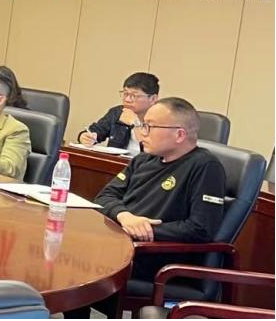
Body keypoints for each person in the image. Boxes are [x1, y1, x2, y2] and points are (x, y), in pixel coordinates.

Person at [66, 97, 226, 319]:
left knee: (75, 263)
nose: (142, 133)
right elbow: (105, 197)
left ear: (179, 134)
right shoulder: (142, 160)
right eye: (143, 125)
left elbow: (201, 228)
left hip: (156, 258)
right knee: (67, 252)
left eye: (149, 126)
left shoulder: (205, 167)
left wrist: (145, 230)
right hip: (122, 245)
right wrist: (125, 217)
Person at [78, 71, 159, 152]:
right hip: (116, 160)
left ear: (153, 99)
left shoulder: (162, 119)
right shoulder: (117, 112)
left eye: (134, 95)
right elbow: (95, 131)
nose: (127, 99)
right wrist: (84, 137)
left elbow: (154, 151)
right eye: (125, 94)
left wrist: (135, 124)